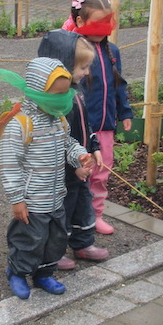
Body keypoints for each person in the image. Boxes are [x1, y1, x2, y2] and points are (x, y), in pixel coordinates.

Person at [0, 57, 91, 299]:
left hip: (57, 197)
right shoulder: (21, 125)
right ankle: (17, 272)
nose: (60, 101)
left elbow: (68, 144)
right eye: (54, 95)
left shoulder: (58, 120)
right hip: (32, 200)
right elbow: (9, 165)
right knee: (29, 239)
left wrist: (78, 157)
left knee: (55, 239)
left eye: (63, 94)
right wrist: (17, 199)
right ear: (37, 92)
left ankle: (44, 273)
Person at [38, 29, 109, 270]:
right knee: (61, 212)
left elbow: (85, 124)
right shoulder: (51, 101)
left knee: (83, 206)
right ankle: (53, 252)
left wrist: (94, 146)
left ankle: (83, 243)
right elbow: (54, 139)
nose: (87, 72)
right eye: (82, 67)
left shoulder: (77, 90)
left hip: (81, 164)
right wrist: (73, 165)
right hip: (62, 173)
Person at [65, 0, 133, 235]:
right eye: (98, 23)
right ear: (80, 21)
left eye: (107, 23)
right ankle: (74, 219)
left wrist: (124, 111)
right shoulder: (74, 49)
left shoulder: (112, 51)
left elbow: (118, 84)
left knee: (102, 172)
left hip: (105, 124)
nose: (103, 30)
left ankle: (96, 214)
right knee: (78, 174)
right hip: (80, 127)